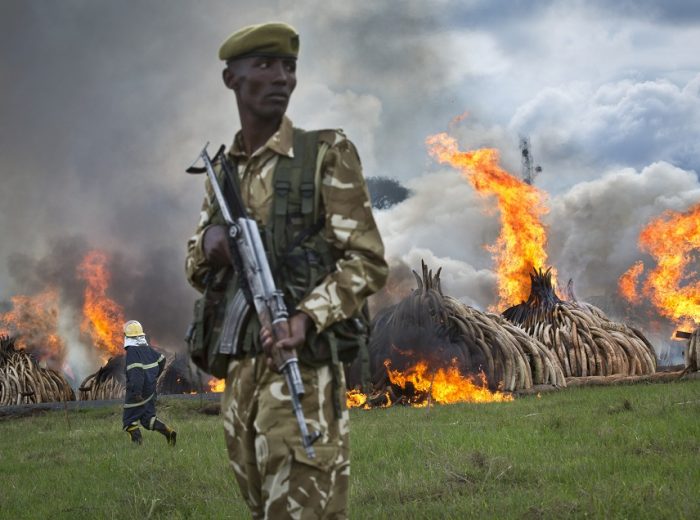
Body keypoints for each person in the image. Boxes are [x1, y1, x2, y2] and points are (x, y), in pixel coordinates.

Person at [185, 22, 388, 519]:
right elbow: (195, 264)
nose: (281, 77)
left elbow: (367, 261)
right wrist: (212, 246)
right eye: (265, 65)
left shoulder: (324, 154)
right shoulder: (224, 172)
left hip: (304, 372)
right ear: (232, 78)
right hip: (240, 378)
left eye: (289, 67)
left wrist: (307, 317)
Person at [122, 320, 177, 446]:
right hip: (150, 391)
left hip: (137, 392)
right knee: (148, 419)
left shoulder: (132, 352)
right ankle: (168, 432)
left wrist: (136, 392)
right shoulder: (147, 349)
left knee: (129, 421)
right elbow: (162, 360)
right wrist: (155, 375)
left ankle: (137, 446)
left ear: (127, 337)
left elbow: (136, 373)